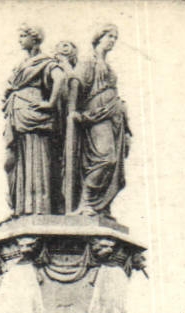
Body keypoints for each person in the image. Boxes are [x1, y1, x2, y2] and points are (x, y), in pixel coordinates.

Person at [3, 25, 68, 217]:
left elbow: (60, 78)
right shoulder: (22, 64)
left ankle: (39, 207)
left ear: (35, 38)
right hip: (18, 115)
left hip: (34, 114)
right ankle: (21, 207)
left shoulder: (45, 61)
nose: (20, 39)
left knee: (36, 156)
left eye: (23, 36)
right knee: (16, 161)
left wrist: (51, 102)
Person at [71, 24, 129, 218]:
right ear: (99, 37)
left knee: (114, 163)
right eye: (109, 36)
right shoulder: (88, 61)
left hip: (114, 117)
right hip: (96, 114)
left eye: (115, 37)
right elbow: (75, 84)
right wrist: (73, 110)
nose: (112, 41)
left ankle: (101, 205)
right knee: (105, 158)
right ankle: (86, 202)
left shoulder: (108, 66)